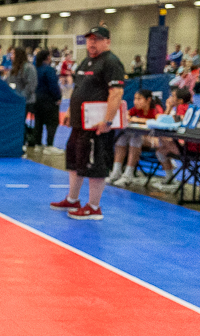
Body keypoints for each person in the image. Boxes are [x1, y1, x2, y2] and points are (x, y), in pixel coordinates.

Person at [50, 26, 125, 220]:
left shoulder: (111, 62)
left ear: (107, 41)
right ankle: (72, 199)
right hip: (78, 122)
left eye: (97, 39)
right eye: (89, 39)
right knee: (75, 161)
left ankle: (94, 206)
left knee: (94, 163)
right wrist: (69, 111)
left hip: (96, 125)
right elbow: (78, 88)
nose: (91, 43)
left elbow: (116, 93)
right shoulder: (86, 61)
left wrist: (107, 120)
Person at [106, 89, 163, 186]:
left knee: (136, 137)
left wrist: (139, 119)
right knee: (122, 137)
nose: (136, 101)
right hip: (143, 138)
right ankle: (116, 172)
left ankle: (128, 175)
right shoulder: (137, 109)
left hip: (157, 140)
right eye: (135, 99)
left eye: (139, 99)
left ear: (148, 99)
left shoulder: (156, 108)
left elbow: (159, 121)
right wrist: (127, 116)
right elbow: (127, 114)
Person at [6, 47, 37, 146]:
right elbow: (9, 83)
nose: (11, 56)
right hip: (15, 101)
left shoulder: (29, 68)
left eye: (13, 54)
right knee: (15, 123)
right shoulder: (13, 69)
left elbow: (31, 85)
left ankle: (23, 142)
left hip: (26, 101)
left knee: (21, 123)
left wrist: (20, 97)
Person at [33, 49, 61, 155]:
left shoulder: (35, 68)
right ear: (48, 58)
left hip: (36, 99)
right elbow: (53, 85)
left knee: (38, 122)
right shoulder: (49, 70)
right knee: (52, 123)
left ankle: (37, 144)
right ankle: (49, 145)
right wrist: (58, 97)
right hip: (48, 100)